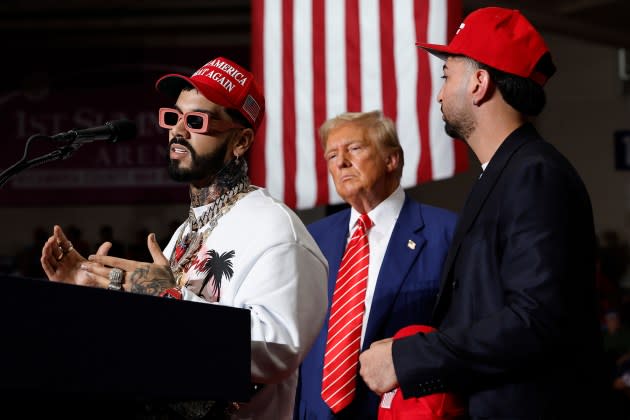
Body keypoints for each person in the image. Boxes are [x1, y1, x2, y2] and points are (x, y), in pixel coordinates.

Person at [40, 56, 329, 420]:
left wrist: (170, 295)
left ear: (241, 141)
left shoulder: (276, 231)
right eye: (173, 117)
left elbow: (279, 350)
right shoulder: (188, 229)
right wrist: (97, 293)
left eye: (197, 121)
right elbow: (162, 335)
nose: (178, 130)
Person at [358, 7, 608, 418]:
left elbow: (537, 322)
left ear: (479, 83)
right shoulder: (506, 174)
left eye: (446, 77)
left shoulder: (535, 175)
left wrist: (410, 357)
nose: (439, 93)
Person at [294, 110, 457, 419]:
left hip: (400, 409)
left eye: (354, 149)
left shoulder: (446, 233)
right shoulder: (312, 238)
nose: (340, 162)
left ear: (391, 160)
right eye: (331, 154)